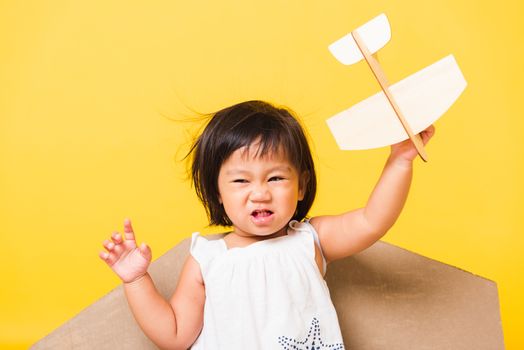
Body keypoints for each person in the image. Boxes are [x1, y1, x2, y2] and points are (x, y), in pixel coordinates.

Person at [99, 100, 435, 349]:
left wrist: (400, 160)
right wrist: (137, 280)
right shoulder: (209, 258)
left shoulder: (311, 239)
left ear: (301, 185)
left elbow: (372, 221)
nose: (260, 193)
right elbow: (174, 334)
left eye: (275, 178)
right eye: (241, 181)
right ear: (218, 193)